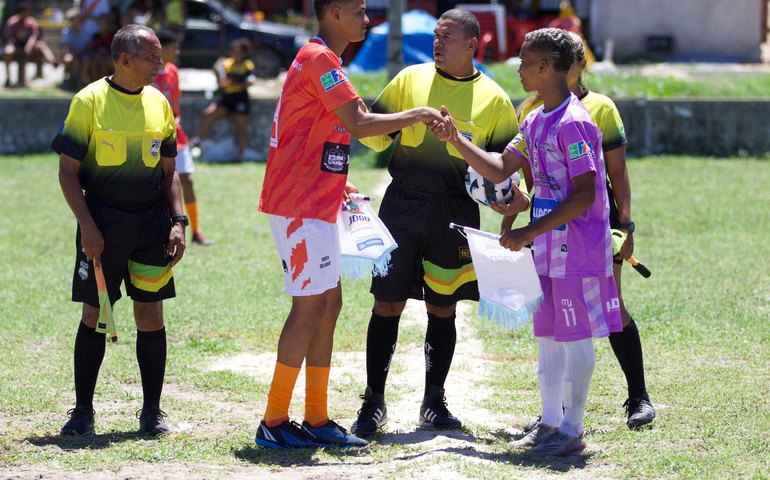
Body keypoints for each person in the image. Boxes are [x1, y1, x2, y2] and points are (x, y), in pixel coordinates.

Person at [255, 0, 449, 449]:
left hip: (315, 199)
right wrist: (419, 114)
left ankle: (317, 417)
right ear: (334, 13)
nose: (366, 19)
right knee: (309, 308)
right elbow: (359, 124)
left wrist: (337, 181)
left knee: (329, 304)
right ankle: (274, 420)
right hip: (300, 203)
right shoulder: (320, 58)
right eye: (359, 11)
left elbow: (315, 132)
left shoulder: (323, 59)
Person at [438, 27, 622, 456]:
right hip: (546, 247)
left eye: (523, 62)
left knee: (574, 335)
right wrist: (455, 139)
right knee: (548, 335)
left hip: (576, 247)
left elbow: (584, 194)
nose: (518, 68)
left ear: (544, 67)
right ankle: (550, 421)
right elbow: (501, 167)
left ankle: (572, 429)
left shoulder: (575, 122)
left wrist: (528, 231)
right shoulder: (535, 120)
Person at [350, 9, 522, 438]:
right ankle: (373, 401)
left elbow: (507, 173)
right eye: (436, 35)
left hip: (454, 213)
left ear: (472, 45)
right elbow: (370, 135)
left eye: (447, 36)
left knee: (443, 308)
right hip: (402, 206)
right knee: (386, 303)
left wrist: (511, 204)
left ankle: (434, 401)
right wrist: (373, 114)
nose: (437, 42)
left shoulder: (495, 100)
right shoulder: (409, 79)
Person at [511, 31, 655, 430]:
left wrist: (625, 226)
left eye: (574, 61)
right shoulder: (533, 111)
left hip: (590, 227)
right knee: (556, 322)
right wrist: (518, 204)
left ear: (576, 65)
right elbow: (527, 173)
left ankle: (638, 395)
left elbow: (616, 173)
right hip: (548, 228)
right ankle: (554, 415)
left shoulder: (596, 109)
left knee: (612, 308)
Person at [52, 24, 183, 437]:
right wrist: (87, 226)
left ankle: (152, 412)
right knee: (94, 315)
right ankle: (82, 412)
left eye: (160, 55)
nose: (160, 63)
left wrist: (178, 222)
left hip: (152, 225)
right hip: (103, 224)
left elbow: (169, 171)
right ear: (124, 59)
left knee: (151, 313)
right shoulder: (88, 101)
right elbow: (68, 173)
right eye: (152, 57)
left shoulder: (159, 102)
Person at [153, 29, 213, 245]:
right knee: (158, 185)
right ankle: (160, 229)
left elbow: (175, 102)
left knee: (187, 180)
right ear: (161, 48)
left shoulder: (173, 71)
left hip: (176, 134)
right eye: (174, 47)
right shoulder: (147, 73)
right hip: (154, 137)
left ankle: (196, 231)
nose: (177, 51)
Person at [190, 38, 256, 163]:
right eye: (233, 51)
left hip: (240, 98)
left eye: (238, 51)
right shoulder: (226, 64)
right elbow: (222, 81)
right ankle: (198, 140)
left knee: (241, 127)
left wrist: (235, 83)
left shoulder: (248, 65)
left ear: (244, 53)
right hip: (227, 97)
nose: (235, 54)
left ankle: (240, 156)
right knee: (209, 113)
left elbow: (249, 82)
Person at [2, 2, 58, 88]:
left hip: (29, 46)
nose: (27, 14)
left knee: (40, 45)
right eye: (25, 12)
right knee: (8, 51)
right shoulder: (12, 22)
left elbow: (33, 37)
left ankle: (53, 61)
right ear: (20, 12)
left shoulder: (31, 21)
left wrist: (28, 47)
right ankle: (8, 79)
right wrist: (15, 46)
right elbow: (8, 38)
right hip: (16, 45)